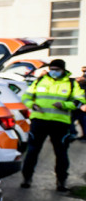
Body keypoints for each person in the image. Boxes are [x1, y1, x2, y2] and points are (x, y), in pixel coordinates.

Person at [20, 58, 86, 191]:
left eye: (56, 70)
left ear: (63, 70)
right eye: (52, 69)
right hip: (39, 121)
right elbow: (26, 96)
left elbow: (79, 100)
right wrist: (31, 104)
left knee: (61, 153)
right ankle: (26, 178)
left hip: (60, 123)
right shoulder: (40, 81)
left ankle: (61, 181)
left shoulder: (71, 84)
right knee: (32, 151)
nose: (53, 72)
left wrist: (64, 105)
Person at [75, 66, 86, 139]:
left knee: (83, 120)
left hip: (84, 104)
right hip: (81, 102)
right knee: (81, 120)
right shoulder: (83, 76)